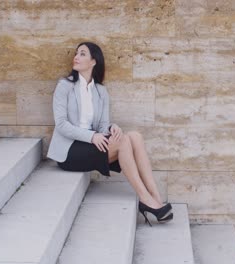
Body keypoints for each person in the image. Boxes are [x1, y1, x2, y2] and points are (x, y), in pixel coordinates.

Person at [47, 42, 172, 226]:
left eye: (82, 54)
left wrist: (112, 128)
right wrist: (92, 137)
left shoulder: (101, 91)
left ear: (93, 61)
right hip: (70, 150)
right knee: (123, 143)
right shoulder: (65, 86)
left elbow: (102, 125)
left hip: (92, 143)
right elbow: (61, 125)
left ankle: (156, 198)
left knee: (134, 136)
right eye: (76, 53)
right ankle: (145, 199)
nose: (76, 57)